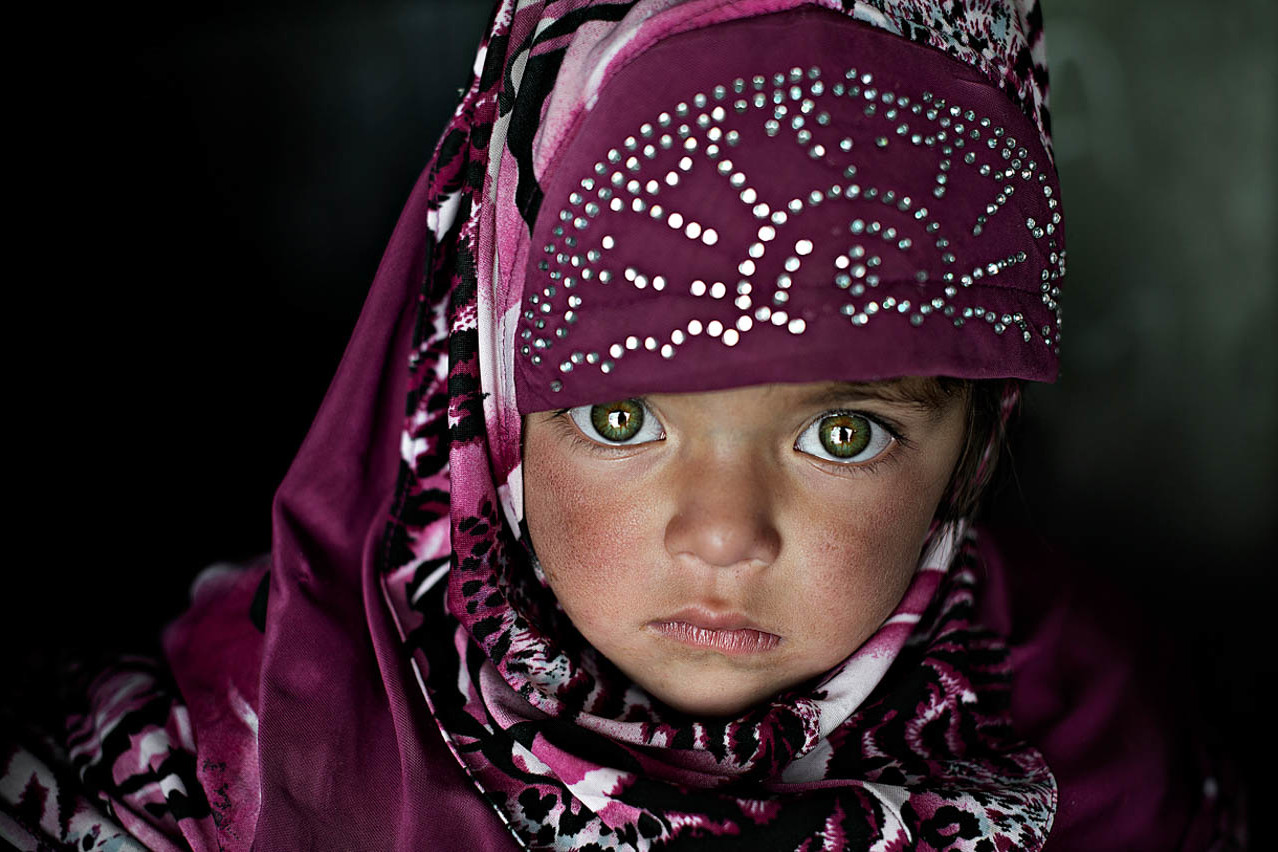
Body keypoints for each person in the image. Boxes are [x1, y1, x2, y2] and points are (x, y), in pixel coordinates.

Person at [0, 0, 1243, 849]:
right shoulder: (211, 770)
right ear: (486, 394)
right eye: (621, 412)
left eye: (845, 435)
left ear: (973, 448)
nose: (722, 535)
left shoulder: (1094, 752)